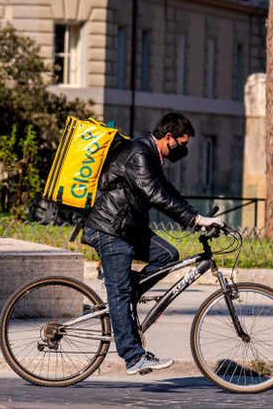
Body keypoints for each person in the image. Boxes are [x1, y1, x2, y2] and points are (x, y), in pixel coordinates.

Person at [82, 112, 225, 375]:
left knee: (167, 256)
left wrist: (199, 217)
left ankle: (126, 289)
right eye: (182, 144)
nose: (183, 150)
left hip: (129, 228)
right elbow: (155, 194)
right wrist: (193, 219)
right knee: (120, 295)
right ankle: (133, 357)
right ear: (168, 137)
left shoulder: (151, 155)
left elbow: (168, 191)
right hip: (111, 230)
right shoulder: (139, 153)